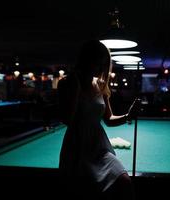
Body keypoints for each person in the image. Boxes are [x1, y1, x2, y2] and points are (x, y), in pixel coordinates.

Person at [57, 40, 136, 200]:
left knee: (124, 181)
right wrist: (76, 90)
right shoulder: (67, 83)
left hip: (100, 147)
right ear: (86, 60)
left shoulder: (100, 85)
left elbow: (108, 119)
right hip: (77, 146)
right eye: (97, 63)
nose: (100, 69)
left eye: (103, 65)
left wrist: (128, 116)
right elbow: (67, 120)